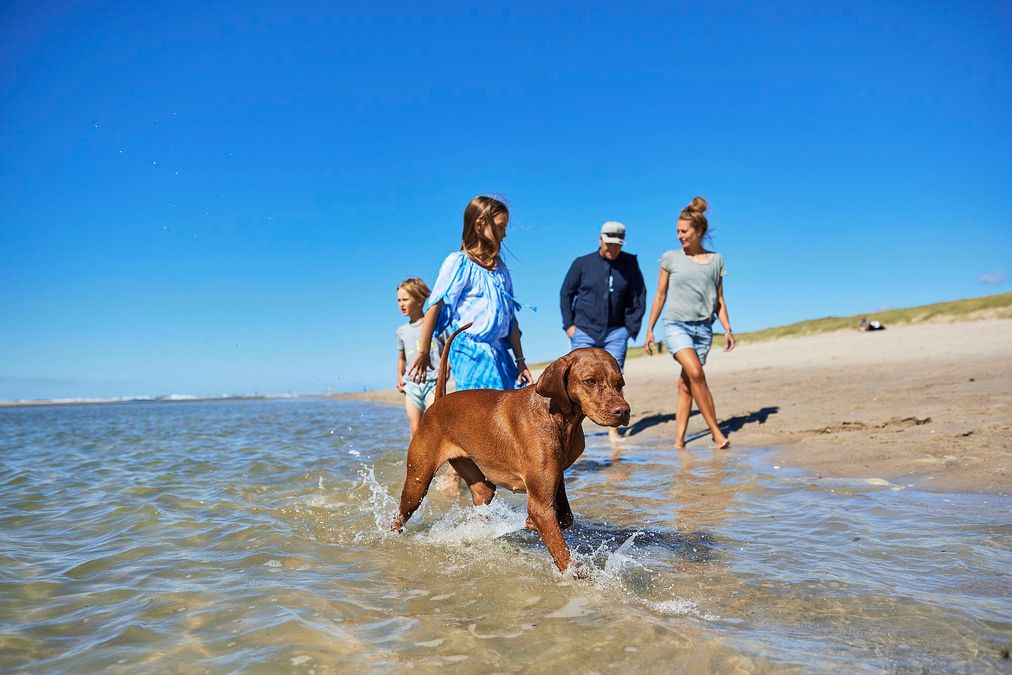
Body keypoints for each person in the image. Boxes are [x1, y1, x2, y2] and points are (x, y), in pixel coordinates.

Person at [408, 195, 533, 391]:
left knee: (508, 411)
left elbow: (511, 320)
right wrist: (423, 351)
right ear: (480, 224)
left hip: (500, 354)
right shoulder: (459, 263)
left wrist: (520, 360)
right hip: (469, 353)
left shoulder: (501, 270)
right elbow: (435, 306)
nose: (504, 234)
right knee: (479, 412)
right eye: (500, 227)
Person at [644, 196, 735, 449]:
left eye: (684, 231)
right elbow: (660, 295)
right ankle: (716, 431)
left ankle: (679, 441)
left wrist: (727, 328)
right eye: (677, 231)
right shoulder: (670, 258)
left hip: (704, 329)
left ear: (699, 231)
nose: (679, 236)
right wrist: (650, 329)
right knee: (696, 372)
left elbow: (719, 299)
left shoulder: (716, 260)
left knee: (686, 383)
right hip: (676, 325)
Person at [560, 220, 646, 442]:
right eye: (609, 244)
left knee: (613, 379)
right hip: (584, 329)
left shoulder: (629, 264)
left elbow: (639, 295)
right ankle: (572, 430)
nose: (613, 249)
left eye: (617, 245)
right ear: (600, 240)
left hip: (617, 330)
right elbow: (566, 293)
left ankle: (613, 428)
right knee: (581, 379)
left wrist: (630, 328)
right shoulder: (582, 263)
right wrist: (569, 325)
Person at [395, 277, 445, 436]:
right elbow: (401, 358)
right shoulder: (401, 331)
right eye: (398, 300)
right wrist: (399, 378)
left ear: (420, 300)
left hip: (433, 383)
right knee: (415, 429)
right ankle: (413, 462)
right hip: (412, 385)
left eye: (405, 299)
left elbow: (447, 350)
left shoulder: (436, 325)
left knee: (434, 426)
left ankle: (437, 459)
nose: (401, 304)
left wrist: (447, 369)